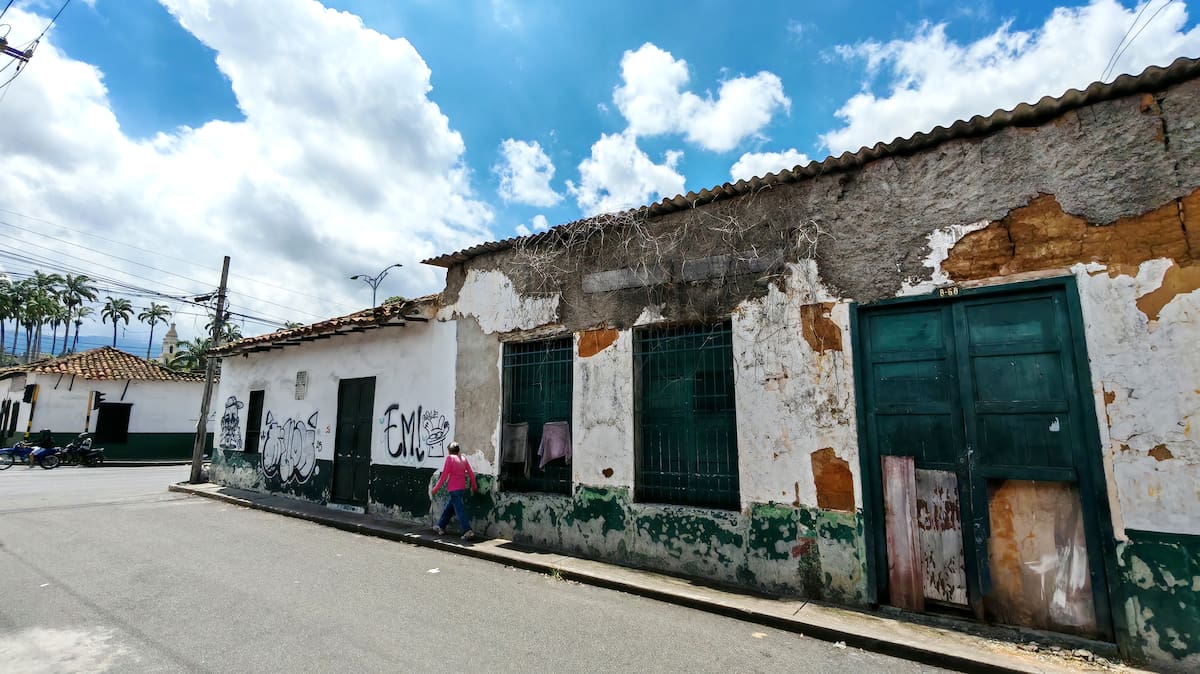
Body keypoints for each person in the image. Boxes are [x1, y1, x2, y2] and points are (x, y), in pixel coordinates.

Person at [430, 442, 477, 540]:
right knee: (449, 508)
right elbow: (471, 474)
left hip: (453, 488)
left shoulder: (450, 458)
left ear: (449, 451)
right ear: (458, 450)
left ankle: (468, 530)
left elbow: (443, 477)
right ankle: (441, 526)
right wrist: (474, 487)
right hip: (461, 488)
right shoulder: (463, 459)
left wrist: (435, 488)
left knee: (459, 510)